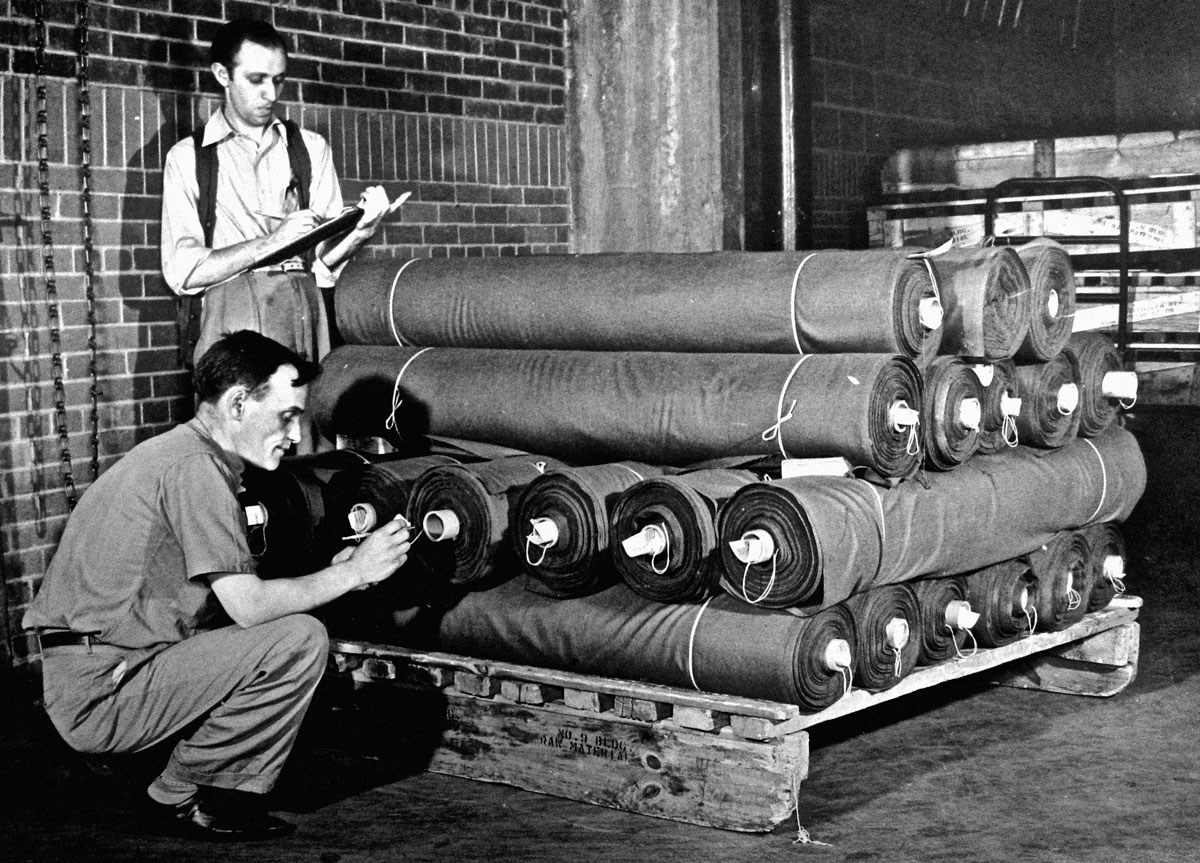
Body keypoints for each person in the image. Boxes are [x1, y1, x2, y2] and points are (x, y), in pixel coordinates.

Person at [22, 331, 412, 841]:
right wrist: (353, 572)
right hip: (102, 692)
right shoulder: (195, 469)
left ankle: (149, 769)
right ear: (237, 403)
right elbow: (249, 609)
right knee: (298, 640)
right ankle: (175, 795)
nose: (295, 436)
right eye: (287, 416)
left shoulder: (179, 454)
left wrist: (343, 574)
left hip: (102, 666)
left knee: (275, 628)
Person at [160, 17, 391, 371]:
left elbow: (323, 263)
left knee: (308, 421)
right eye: (256, 80)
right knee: (245, 422)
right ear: (223, 75)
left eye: (278, 80)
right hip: (232, 322)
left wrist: (361, 231)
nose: (271, 94)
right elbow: (183, 271)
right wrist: (270, 243)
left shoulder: (310, 148)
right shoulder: (188, 158)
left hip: (304, 310)